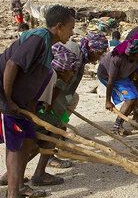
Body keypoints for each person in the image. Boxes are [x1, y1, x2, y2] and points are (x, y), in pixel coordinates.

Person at [0, 5, 75, 198]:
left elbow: (33, 80)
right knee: (15, 146)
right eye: (70, 28)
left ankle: (20, 187)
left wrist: (30, 110)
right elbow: (12, 66)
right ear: (59, 27)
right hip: (7, 98)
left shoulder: (48, 46)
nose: (72, 32)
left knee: (27, 142)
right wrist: (7, 101)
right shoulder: (39, 38)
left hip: (21, 103)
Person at [31, 32, 109, 185]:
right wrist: (53, 110)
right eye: (98, 53)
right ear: (91, 48)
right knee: (47, 133)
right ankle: (36, 172)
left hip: (55, 98)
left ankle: (27, 171)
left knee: (48, 132)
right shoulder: (74, 56)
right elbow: (59, 84)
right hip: (49, 99)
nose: (98, 57)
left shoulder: (80, 54)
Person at [97, 33, 138, 134]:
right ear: (134, 52)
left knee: (135, 96)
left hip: (121, 77)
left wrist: (131, 83)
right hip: (107, 76)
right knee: (130, 98)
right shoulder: (118, 58)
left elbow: (132, 74)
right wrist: (107, 101)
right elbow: (111, 81)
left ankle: (120, 124)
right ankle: (116, 127)